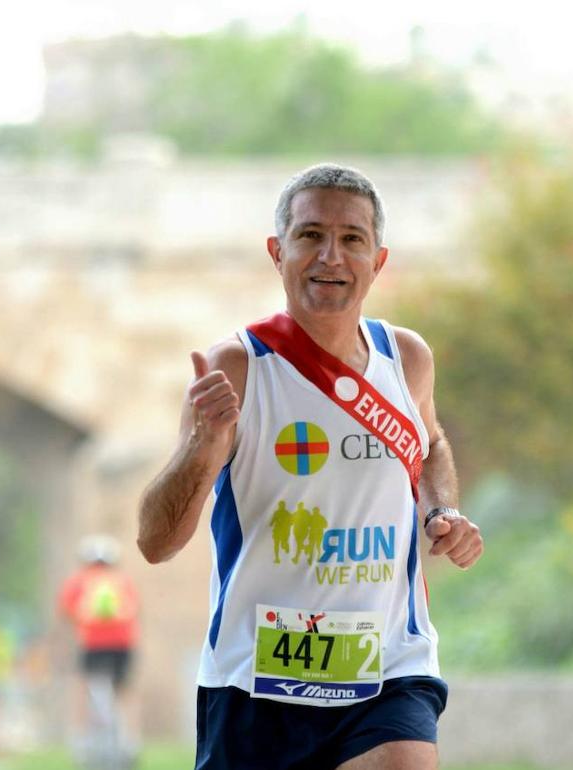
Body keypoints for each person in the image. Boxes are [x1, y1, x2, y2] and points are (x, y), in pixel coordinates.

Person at [137, 163, 484, 770]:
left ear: (377, 260)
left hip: (387, 667)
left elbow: (428, 444)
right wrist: (203, 445)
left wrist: (442, 510)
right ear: (278, 252)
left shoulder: (406, 358)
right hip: (257, 678)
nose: (331, 255)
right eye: (310, 235)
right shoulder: (237, 368)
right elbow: (155, 542)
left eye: (352, 239)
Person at [58, 534, 140, 755]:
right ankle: (129, 740)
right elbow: (134, 609)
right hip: (123, 642)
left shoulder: (79, 580)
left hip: (92, 642)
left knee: (83, 686)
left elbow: (66, 609)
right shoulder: (122, 580)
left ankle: (80, 740)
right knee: (124, 690)